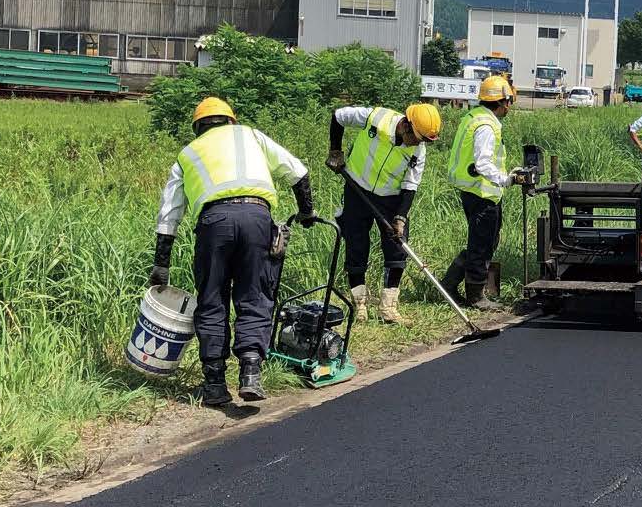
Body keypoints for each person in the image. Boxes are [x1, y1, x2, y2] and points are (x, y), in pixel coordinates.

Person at [150, 97, 316, 407]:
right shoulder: (250, 135)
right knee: (254, 294)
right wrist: (306, 212)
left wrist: (162, 264)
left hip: (215, 223)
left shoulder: (187, 154)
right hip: (257, 217)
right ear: (230, 121)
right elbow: (298, 172)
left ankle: (214, 384)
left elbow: (169, 213)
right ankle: (250, 372)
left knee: (212, 298)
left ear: (198, 128)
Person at [326, 101, 442, 325]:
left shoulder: (418, 150)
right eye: (417, 137)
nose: (418, 143)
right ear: (406, 126)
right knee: (356, 244)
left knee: (397, 247)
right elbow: (338, 116)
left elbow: (411, 184)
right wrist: (335, 150)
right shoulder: (375, 118)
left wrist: (400, 217)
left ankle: (388, 308)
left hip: (391, 198)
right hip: (357, 188)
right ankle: (359, 305)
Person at [446, 75, 530, 310]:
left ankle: (449, 284)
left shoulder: (473, 117)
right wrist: (506, 179)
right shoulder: (486, 126)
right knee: (482, 244)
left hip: (474, 191)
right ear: (502, 101)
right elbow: (483, 163)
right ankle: (475, 296)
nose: (510, 107)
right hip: (482, 194)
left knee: (485, 241)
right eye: (509, 101)